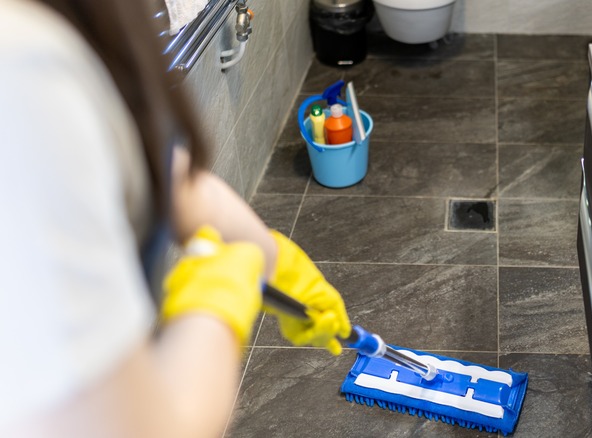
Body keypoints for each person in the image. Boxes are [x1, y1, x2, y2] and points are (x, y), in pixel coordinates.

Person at [0, 0, 351, 436]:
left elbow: (169, 177)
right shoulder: (19, 69)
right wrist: (215, 296)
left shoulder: (86, 22)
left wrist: (276, 262)